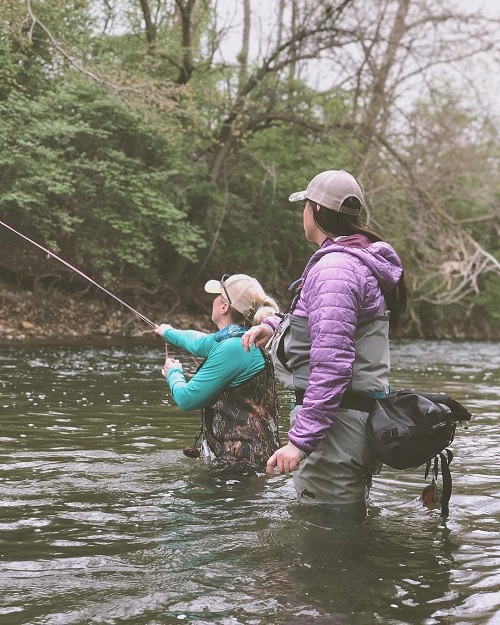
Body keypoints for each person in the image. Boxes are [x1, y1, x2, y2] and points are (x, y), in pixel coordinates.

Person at [242, 170, 407, 517]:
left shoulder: (335, 269)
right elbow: (320, 323)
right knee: (337, 531)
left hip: (335, 430)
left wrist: (300, 443)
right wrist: (273, 327)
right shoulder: (346, 262)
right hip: (345, 421)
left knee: (326, 541)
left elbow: (333, 365)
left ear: (315, 209)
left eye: (305, 205)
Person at [155, 274, 281, 470]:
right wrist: (168, 332)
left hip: (240, 464)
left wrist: (174, 373)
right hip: (255, 456)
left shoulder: (234, 348)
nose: (212, 300)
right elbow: (198, 342)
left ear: (224, 307)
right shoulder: (239, 339)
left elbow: (187, 398)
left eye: (217, 296)